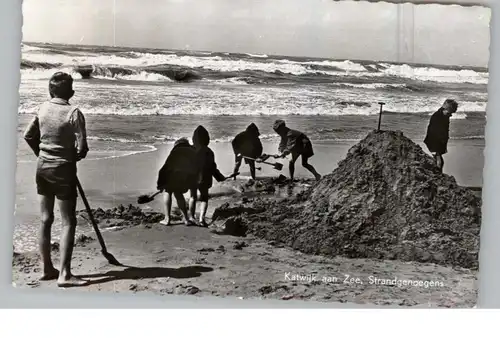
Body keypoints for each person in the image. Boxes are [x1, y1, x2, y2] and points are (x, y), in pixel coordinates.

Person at [23, 72, 89, 287]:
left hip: (42, 167)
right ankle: (65, 274)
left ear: (50, 91)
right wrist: (73, 156)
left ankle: (46, 269)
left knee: (45, 218)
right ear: (71, 92)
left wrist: (41, 154)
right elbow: (82, 148)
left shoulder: (42, 108)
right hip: (63, 169)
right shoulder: (74, 112)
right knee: (68, 220)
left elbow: (28, 135)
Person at [190, 125, 227, 227]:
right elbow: (213, 168)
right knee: (204, 199)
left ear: (194, 139)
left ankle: (191, 217)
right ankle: (202, 219)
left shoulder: (191, 150)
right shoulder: (209, 152)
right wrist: (220, 177)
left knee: (192, 197)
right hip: (204, 178)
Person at [156, 138, 199, 226]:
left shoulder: (175, 151)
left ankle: (167, 219)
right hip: (190, 176)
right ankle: (186, 219)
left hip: (176, 174)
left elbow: (164, 169)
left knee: (168, 191)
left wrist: (160, 184)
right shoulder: (193, 151)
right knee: (178, 193)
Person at [423, 99, 458, 173]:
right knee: (438, 158)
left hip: (437, 139)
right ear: (445, 109)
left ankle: (438, 172)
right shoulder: (437, 116)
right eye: (449, 113)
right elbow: (434, 130)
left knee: (438, 158)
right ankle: (438, 173)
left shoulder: (443, 116)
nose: (450, 115)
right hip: (435, 139)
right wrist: (442, 139)